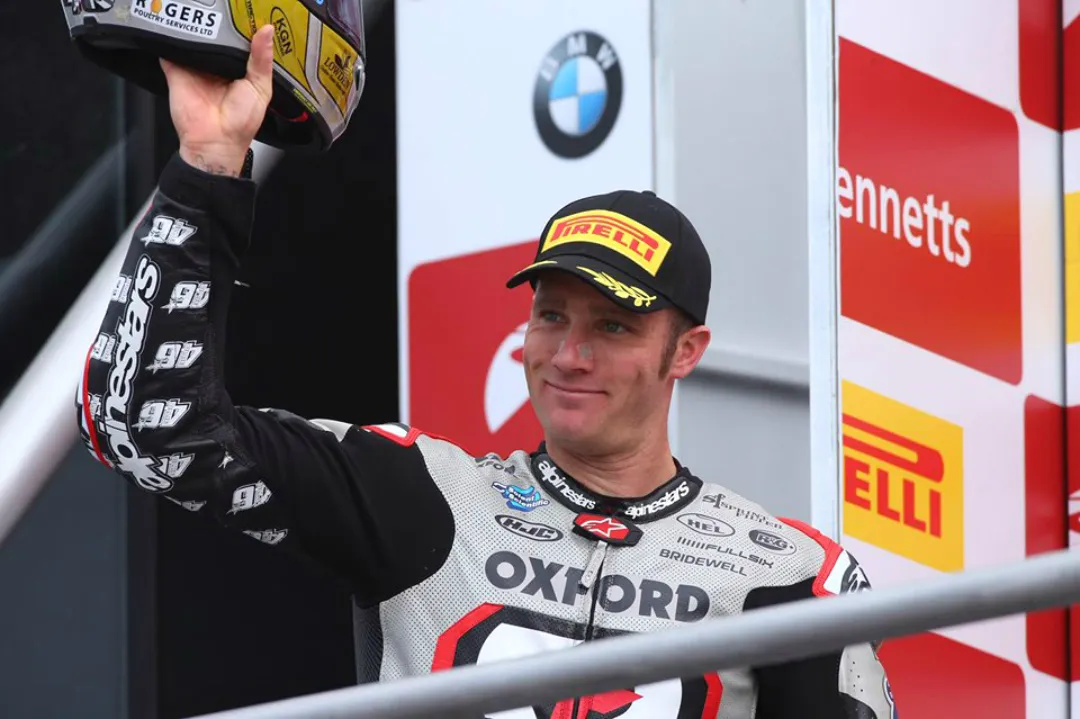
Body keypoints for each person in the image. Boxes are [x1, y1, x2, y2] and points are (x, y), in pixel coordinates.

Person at [76, 25, 897, 718]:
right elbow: (149, 427)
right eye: (551, 316)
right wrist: (208, 167)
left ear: (686, 351)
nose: (569, 354)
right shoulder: (420, 495)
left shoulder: (790, 574)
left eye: (612, 326)